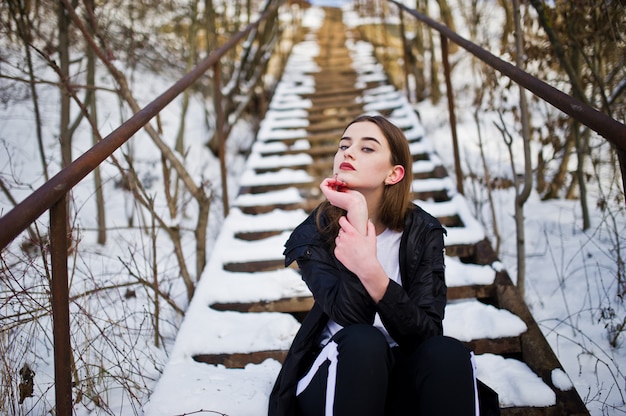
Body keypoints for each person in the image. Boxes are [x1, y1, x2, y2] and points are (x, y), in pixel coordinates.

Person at [268, 115, 497, 416]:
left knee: (447, 353)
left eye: (367, 148)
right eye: (344, 145)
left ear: (394, 174)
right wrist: (357, 215)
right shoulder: (315, 234)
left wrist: (371, 272)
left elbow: (426, 334)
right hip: (337, 374)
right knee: (366, 342)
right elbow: (353, 318)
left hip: (400, 372)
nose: (347, 152)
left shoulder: (421, 232)